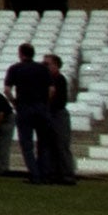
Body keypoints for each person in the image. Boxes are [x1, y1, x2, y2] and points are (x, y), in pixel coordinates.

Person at [4, 42, 56, 184]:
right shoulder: (42, 68)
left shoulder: (15, 68)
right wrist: (45, 104)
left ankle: (35, 174)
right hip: (40, 107)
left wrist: (14, 103)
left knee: (27, 144)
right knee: (43, 143)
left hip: (24, 107)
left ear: (20, 54)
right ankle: (44, 173)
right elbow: (52, 90)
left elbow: (7, 90)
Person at [43, 53, 79, 187]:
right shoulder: (49, 79)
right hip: (51, 113)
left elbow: (58, 101)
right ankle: (55, 173)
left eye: (47, 64)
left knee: (61, 144)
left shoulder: (59, 79)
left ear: (56, 65)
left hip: (57, 114)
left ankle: (67, 174)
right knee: (51, 145)